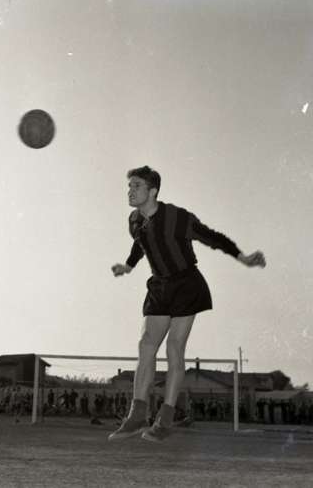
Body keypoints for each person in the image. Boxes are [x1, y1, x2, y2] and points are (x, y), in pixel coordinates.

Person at [108, 166, 266, 442]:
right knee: (146, 346)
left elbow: (212, 237)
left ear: (153, 191)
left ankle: (165, 421)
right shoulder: (134, 220)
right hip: (159, 286)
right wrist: (128, 266)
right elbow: (140, 244)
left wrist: (242, 257)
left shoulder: (177, 218)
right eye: (129, 186)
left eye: (136, 186)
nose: (130, 191)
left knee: (174, 348)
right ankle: (137, 416)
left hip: (186, 284)